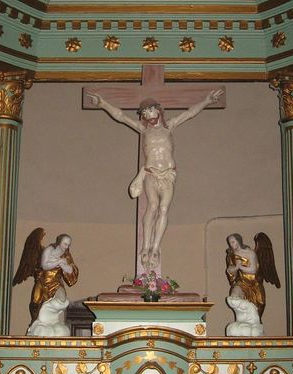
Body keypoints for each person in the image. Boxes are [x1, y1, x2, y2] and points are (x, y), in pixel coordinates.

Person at [88, 89, 223, 270]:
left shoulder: (169, 126)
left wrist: (206, 101)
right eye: (145, 112)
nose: (148, 114)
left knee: (164, 208)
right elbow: (120, 116)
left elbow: (189, 113)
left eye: (151, 110)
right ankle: (145, 247)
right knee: (152, 206)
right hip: (150, 172)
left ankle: (156, 247)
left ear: (159, 110)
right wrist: (103, 104)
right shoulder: (143, 129)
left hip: (168, 173)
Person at [13, 230, 79, 326]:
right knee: (35, 302)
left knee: (62, 299)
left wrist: (63, 264)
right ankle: (35, 322)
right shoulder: (49, 250)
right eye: (65, 244)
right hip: (42, 281)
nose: (66, 247)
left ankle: (49, 320)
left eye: (68, 245)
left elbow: (70, 270)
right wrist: (59, 262)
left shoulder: (66, 254)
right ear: (59, 242)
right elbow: (44, 266)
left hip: (56, 282)